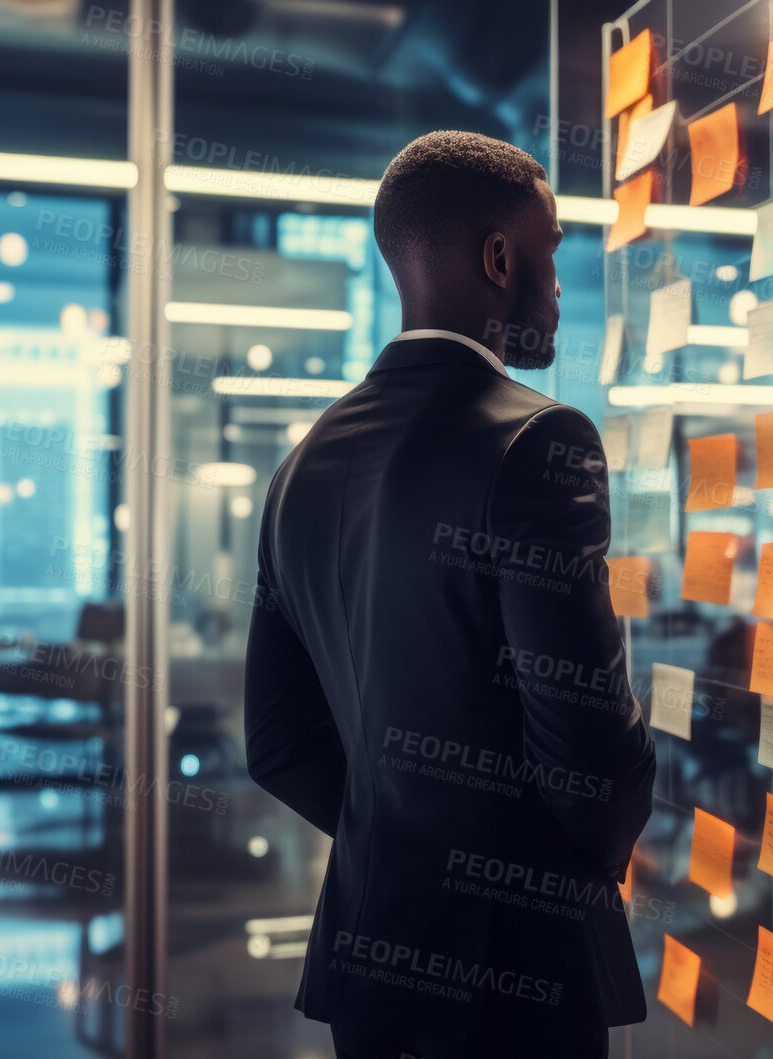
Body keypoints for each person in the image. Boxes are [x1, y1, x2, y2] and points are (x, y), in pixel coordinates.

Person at [244, 131, 656, 1059]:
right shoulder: (540, 441)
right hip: (513, 970)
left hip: (368, 958)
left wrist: (406, 838)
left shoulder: (301, 465)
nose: (558, 284)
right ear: (501, 259)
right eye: (552, 251)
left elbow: (276, 745)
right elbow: (589, 752)